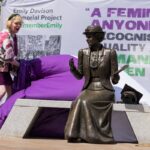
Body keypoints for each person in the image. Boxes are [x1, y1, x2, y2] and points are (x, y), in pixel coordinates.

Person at [65, 25, 120, 144]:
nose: (87, 39)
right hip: (89, 87)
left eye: (90, 36)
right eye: (86, 37)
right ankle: (75, 135)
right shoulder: (82, 52)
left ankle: (92, 136)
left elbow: (115, 80)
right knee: (78, 101)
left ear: (98, 37)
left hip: (104, 89)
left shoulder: (110, 53)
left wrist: (115, 76)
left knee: (85, 102)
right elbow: (80, 76)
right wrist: (72, 69)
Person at [0, 14, 23, 104]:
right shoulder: (5, 35)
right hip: (1, 68)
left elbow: (13, 55)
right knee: (3, 90)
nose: (18, 26)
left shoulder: (13, 36)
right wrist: (21, 65)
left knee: (10, 91)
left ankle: (5, 111)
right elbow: (9, 57)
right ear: (10, 23)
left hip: (5, 68)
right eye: (16, 23)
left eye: (20, 24)